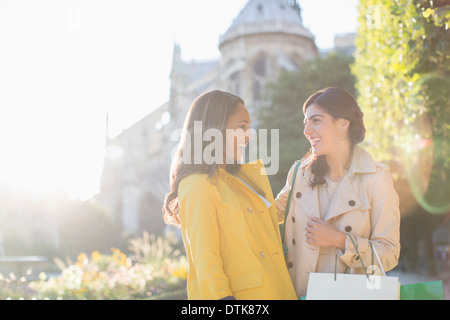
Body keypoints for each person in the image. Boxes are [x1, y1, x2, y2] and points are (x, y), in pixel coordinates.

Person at [163, 90, 297, 300]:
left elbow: (270, 217)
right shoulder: (197, 184)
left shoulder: (239, 179)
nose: (249, 135)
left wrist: (303, 172)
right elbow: (206, 261)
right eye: (242, 127)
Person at [275, 87, 401, 298]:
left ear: (342, 124)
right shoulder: (299, 173)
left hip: (350, 295)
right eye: (305, 122)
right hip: (297, 293)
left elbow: (389, 254)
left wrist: (340, 240)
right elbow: (266, 215)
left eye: (316, 120)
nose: (306, 131)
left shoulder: (377, 178)